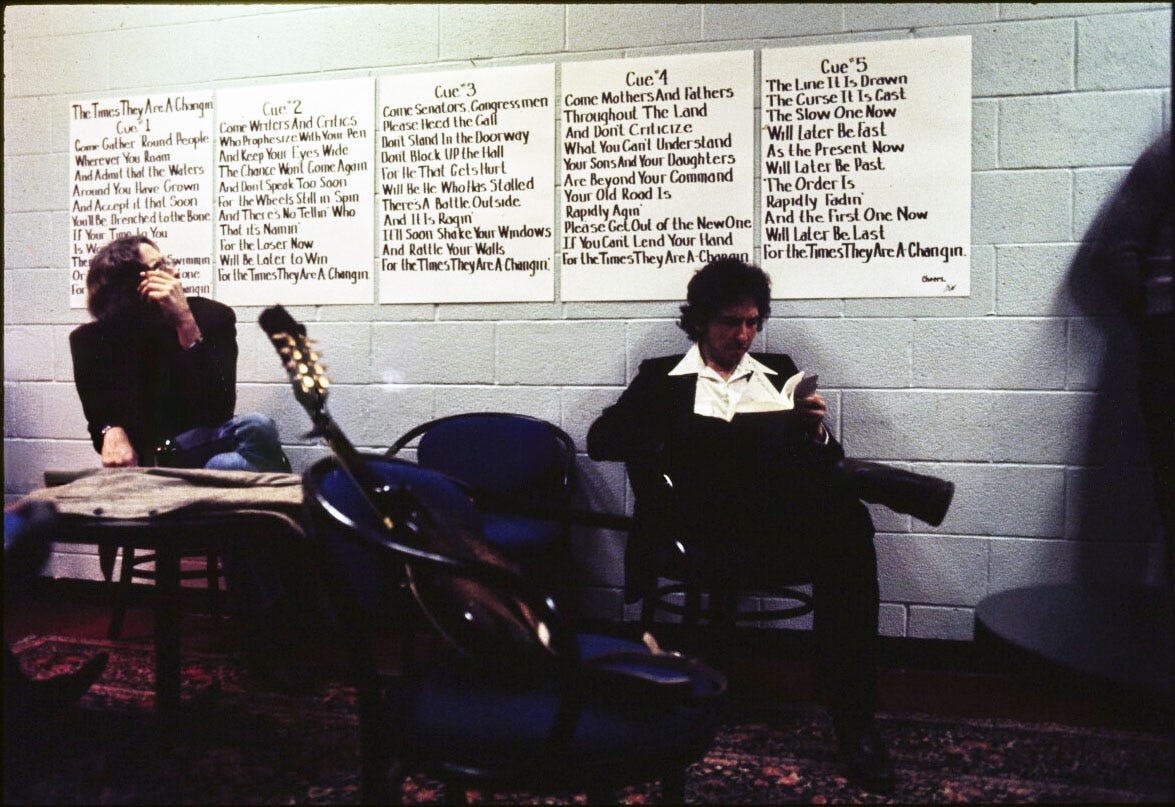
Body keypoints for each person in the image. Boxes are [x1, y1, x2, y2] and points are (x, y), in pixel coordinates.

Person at [587, 257, 898, 793]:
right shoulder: (661, 378)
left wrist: (815, 432)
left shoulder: (778, 373)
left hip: (770, 523)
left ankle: (855, 722)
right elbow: (601, 440)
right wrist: (680, 436)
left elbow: (827, 460)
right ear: (700, 321)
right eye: (731, 322)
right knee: (841, 517)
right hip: (695, 528)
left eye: (753, 322)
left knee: (849, 525)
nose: (744, 334)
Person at [69, 234, 304, 686]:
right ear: (129, 285)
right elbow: (100, 415)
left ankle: (265, 620)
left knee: (251, 432)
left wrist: (185, 327)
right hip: (158, 461)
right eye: (158, 267)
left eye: (169, 262)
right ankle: (279, 620)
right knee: (233, 473)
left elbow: (220, 407)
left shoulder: (212, 317)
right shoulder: (93, 340)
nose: (172, 273)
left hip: (209, 441)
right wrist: (108, 428)